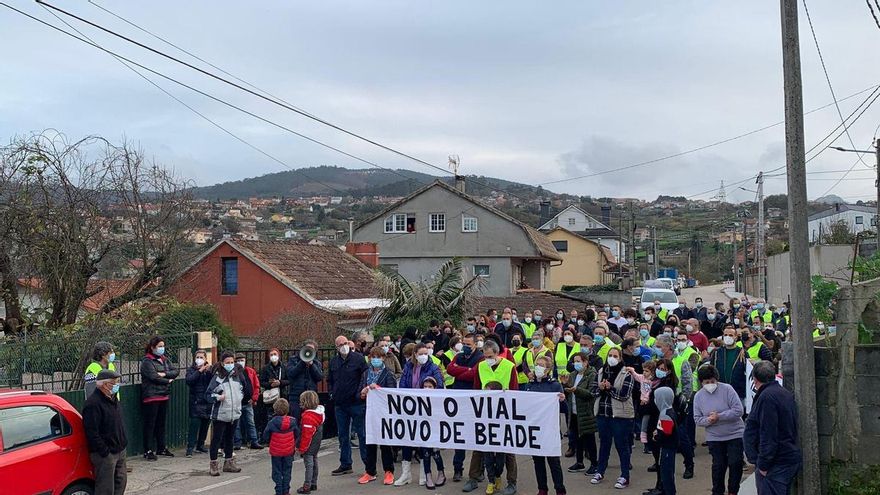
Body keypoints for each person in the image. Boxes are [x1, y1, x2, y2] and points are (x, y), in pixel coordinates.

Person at [463, 340, 519, 495]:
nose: (487, 359)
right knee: (479, 446)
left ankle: (512, 482)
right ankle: (473, 478)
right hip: (484, 411)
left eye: (490, 356)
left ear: (497, 353)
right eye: (485, 356)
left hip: (504, 412)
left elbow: (515, 389)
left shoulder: (509, 366)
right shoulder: (481, 366)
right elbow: (476, 388)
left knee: (508, 449)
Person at [744, 361, 801, 495]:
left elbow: (768, 434)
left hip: (776, 463)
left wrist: (764, 464)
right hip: (782, 459)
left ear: (755, 379)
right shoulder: (782, 393)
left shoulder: (767, 398)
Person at [395, 344, 445, 486]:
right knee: (407, 439)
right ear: (415, 354)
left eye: (426, 353)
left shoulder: (433, 367)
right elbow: (403, 386)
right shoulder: (408, 367)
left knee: (425, 440)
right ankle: (406, 474)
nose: (424, 355)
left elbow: (439, 386)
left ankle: (425, 473)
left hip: (427, 409)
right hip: (410, 409)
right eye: (421, 353)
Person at [694, 365, 745, 495]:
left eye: (712, 381)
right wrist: (709, 420)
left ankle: (733, 490)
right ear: (702, 383)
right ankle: (717, 491)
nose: (710, 384)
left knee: (735, 463)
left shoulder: (727, 389)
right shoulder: (698, 397)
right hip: (714, 437)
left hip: (734, 433)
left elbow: (738, 410)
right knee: (718, 466)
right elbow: (697, 419)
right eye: (706, 382)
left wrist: (719, 417)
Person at [589, 347, 635, 489]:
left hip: (620, 415)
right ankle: (600, 471)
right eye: (610, 355)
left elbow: (624, 395)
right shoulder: (601, 371)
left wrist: (609, 389)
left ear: (620, 358)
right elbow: (593, 391)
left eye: (615, 355)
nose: (612, 358)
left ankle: (624, 475)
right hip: (603, 413)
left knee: (622, 445)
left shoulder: (626, 373)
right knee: (604, 444)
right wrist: (601, 388)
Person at [526, 355, 568, 495]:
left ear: (548, 369)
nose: (538, 367)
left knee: (553, 462)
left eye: (542, 365)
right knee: (538, 462)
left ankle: (560, 489)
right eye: (537, 364)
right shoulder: (530, 385)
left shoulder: (554, 385)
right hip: (535, 429)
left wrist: (562, 400)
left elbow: (564, 410)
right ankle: (542, 489)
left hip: (550, 429)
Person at [328, 335, 369, 476]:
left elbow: (365, 377)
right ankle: (345, 464)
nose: (344, 346)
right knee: (343, 436)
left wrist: (360, 393)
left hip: (356, 403)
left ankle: (368, 466)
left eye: (345, 343)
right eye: (340, 344)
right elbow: (330, 380)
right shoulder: (334, 362)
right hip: (340, 404)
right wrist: (331, 393)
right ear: (336, 347)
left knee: (362, 435)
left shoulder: (358, 359)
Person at [206, 350, 251, 476]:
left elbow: (244, 388)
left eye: (232, 362)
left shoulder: (238, 376)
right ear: (222, 363)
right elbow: (208, 394)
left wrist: (240, 397)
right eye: (227, 362)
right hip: (221, 413)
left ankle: (229, 462)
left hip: (234, 412)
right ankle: (214, 464)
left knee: (230, 438)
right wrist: (217, 397)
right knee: (217, 439)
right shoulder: (218, 377)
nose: (230, 364)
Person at [82, 369, 127, 495]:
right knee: (105, 488)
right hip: (106, 455)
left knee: (120, 482)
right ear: (106, 385)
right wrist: (105, 452)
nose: (117, 385)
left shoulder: (113, 399)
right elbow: (91, 432)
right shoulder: (93, 404)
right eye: (115, 383)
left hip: (119, 450)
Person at [446, 333, 484, 481]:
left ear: (475, 344)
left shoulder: (480, 358)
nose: (465, 347)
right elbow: (450, 369)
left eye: (468, 345)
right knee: (459, 435)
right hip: (458, 400)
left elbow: (475, 374)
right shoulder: (459, 356)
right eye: (464, 344)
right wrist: (466, 371)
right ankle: (457, 468)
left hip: (473, 400)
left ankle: (479, 469)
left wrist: (460, 371)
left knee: (478, 435)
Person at [657, 334, 695, 479]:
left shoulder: (681, 361)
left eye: (660, 346)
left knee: (681, 436)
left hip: (675, 405)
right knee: (662, 435)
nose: (658, 349)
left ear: (669, 347)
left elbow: (687, 383)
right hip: (660, 404)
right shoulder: (658, 362)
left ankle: (689, 464)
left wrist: (683, 401)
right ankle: (660, 463)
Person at [358, 347, 397, 485]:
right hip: (368, 413)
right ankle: (370, 471)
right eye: (373, 356)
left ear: (383, 358)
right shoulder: (365, 374)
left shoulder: (388, 374)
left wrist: (379, 389)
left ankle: (389, 471)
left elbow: (392, 394)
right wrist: (363, 392)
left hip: (383, 413)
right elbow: (359, 393)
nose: (375, 359)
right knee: (370, 442)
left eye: (378, 357)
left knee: (385, 443)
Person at [140, 335, 179, 461]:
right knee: (150, 424)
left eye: (163, 346)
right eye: (159, 346)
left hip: (163, 395)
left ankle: (161, 447)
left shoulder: (164, 359)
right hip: (151, 396)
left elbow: (175, 371)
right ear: (152, 348)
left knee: (161, 424)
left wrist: (165, 374)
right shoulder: (147, 361)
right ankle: (148, 450)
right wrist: (167, 381)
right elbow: (153, 377)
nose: (162, 349)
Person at [564, 352, 598, 475]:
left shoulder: (592, 375)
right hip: (573, 411)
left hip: (586, 412)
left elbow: (590, 393)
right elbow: (568, 390)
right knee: (577, 438)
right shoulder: (572, 375)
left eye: (578, 361)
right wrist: (565, 385)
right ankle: (579, 462)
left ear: (585, 362)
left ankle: (594, 464)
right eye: (574, 361)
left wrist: (576, 390)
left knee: (589, 438)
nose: (576, 364)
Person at [263, 398, 298, 495]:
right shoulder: (293, 422)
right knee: (287, 470)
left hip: (276, 451)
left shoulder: (272, 422)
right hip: (289, 451)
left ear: (275, 410)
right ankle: (286, 490)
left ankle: (278, 490)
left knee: (277, 471)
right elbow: (297, 434)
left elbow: (265, 436)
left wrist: (268, 441)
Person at [419, 376, 447, 490]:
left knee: (436, 453)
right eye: (425, 387)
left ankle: (441, 473)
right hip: (424, 430)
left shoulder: (439, 399)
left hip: (435, 430)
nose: (427, 389)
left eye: (430, 387)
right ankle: (428, 475)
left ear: (435, 388)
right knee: (425, 454)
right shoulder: (418, 399)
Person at [710, 325, 748, 408]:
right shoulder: (717, 353)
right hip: (720, 393)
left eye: (730, 335)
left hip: (738, 393)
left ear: (735, 337)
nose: (727, 337)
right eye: (725, 335)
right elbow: (711, 371)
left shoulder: (742, 353)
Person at [185, 349, 213, 457]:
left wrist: (208, 370)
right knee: (194, 424)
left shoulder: (209, 370)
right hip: (196, 401)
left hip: (206, 401)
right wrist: (200, 371)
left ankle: (200, 445)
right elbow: (189, 380)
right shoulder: (191, 370)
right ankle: (190, 447)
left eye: (202, 357)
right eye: (198, 357)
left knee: (205, 424)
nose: (199, 359)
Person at [287, 341, 324, 419]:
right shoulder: (293, 360)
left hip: (311, 398)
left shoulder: (316, 363)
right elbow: (291, 374)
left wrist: (312, 366)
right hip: (296, 396)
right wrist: (302, 363)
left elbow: (319, 377)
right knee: (295, 420)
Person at [233, 353, 263, 450]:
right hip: (237, 403)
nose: (240, 362)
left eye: (242, 360)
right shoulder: (233, 372)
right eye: (238, 360)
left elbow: (256, 386)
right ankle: (237, 442)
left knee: (250, 422)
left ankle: (254, 441)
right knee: (236, 424)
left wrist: (254, 398)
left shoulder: (250, 371)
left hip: (248, 402)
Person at [297, 391, 325, 494]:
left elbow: (306, 436)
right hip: (316, 443)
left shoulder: (308, 417)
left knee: (308, 465)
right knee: (314, 462)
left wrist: (302, 448)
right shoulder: (319, 414)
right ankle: (314, 483)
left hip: (309, 444)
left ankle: (306, 486)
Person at [653, 386, 679, 495]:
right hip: (670, 447)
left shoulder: (665, 415)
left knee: (667, 473)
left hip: (667, 448)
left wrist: (656, 436)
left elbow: (666, 433)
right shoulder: (669, 411)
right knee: (667, 471)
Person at [261, 348, 289, 423]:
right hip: (271, 397)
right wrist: (270, 384)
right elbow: (262, 382)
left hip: (282, 396)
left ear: (278, 355)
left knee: (283, 418)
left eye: (275, 354)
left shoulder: (284, 367)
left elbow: (289, 380)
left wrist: (280, 382)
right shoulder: (265, 368)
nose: (273, 356)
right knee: (271, 418)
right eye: (271, 355)